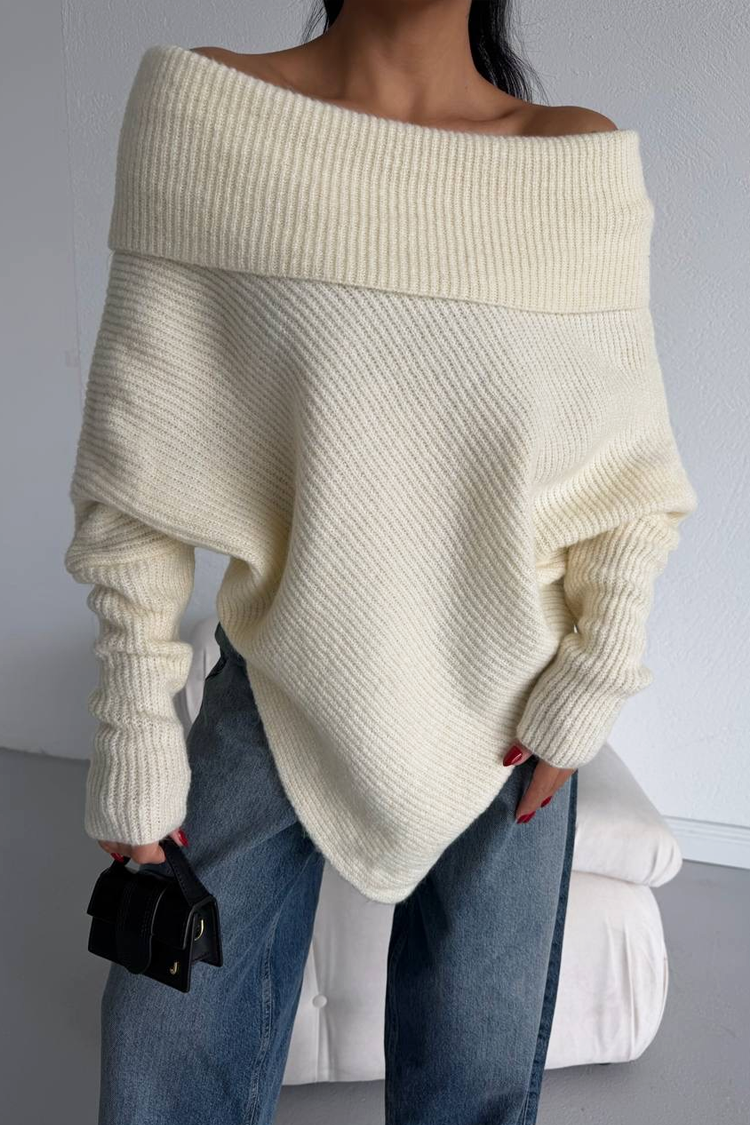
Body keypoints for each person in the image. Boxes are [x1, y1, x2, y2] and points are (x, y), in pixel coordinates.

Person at [63, 3, 698, 1123]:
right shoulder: (209, 114)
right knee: (163, 1076)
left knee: (472, 1096)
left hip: (514, 718)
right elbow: (136, 474)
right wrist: (134, 727)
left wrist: (589, 685)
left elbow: (630, 485)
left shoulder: (574, 165)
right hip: (276, 684)